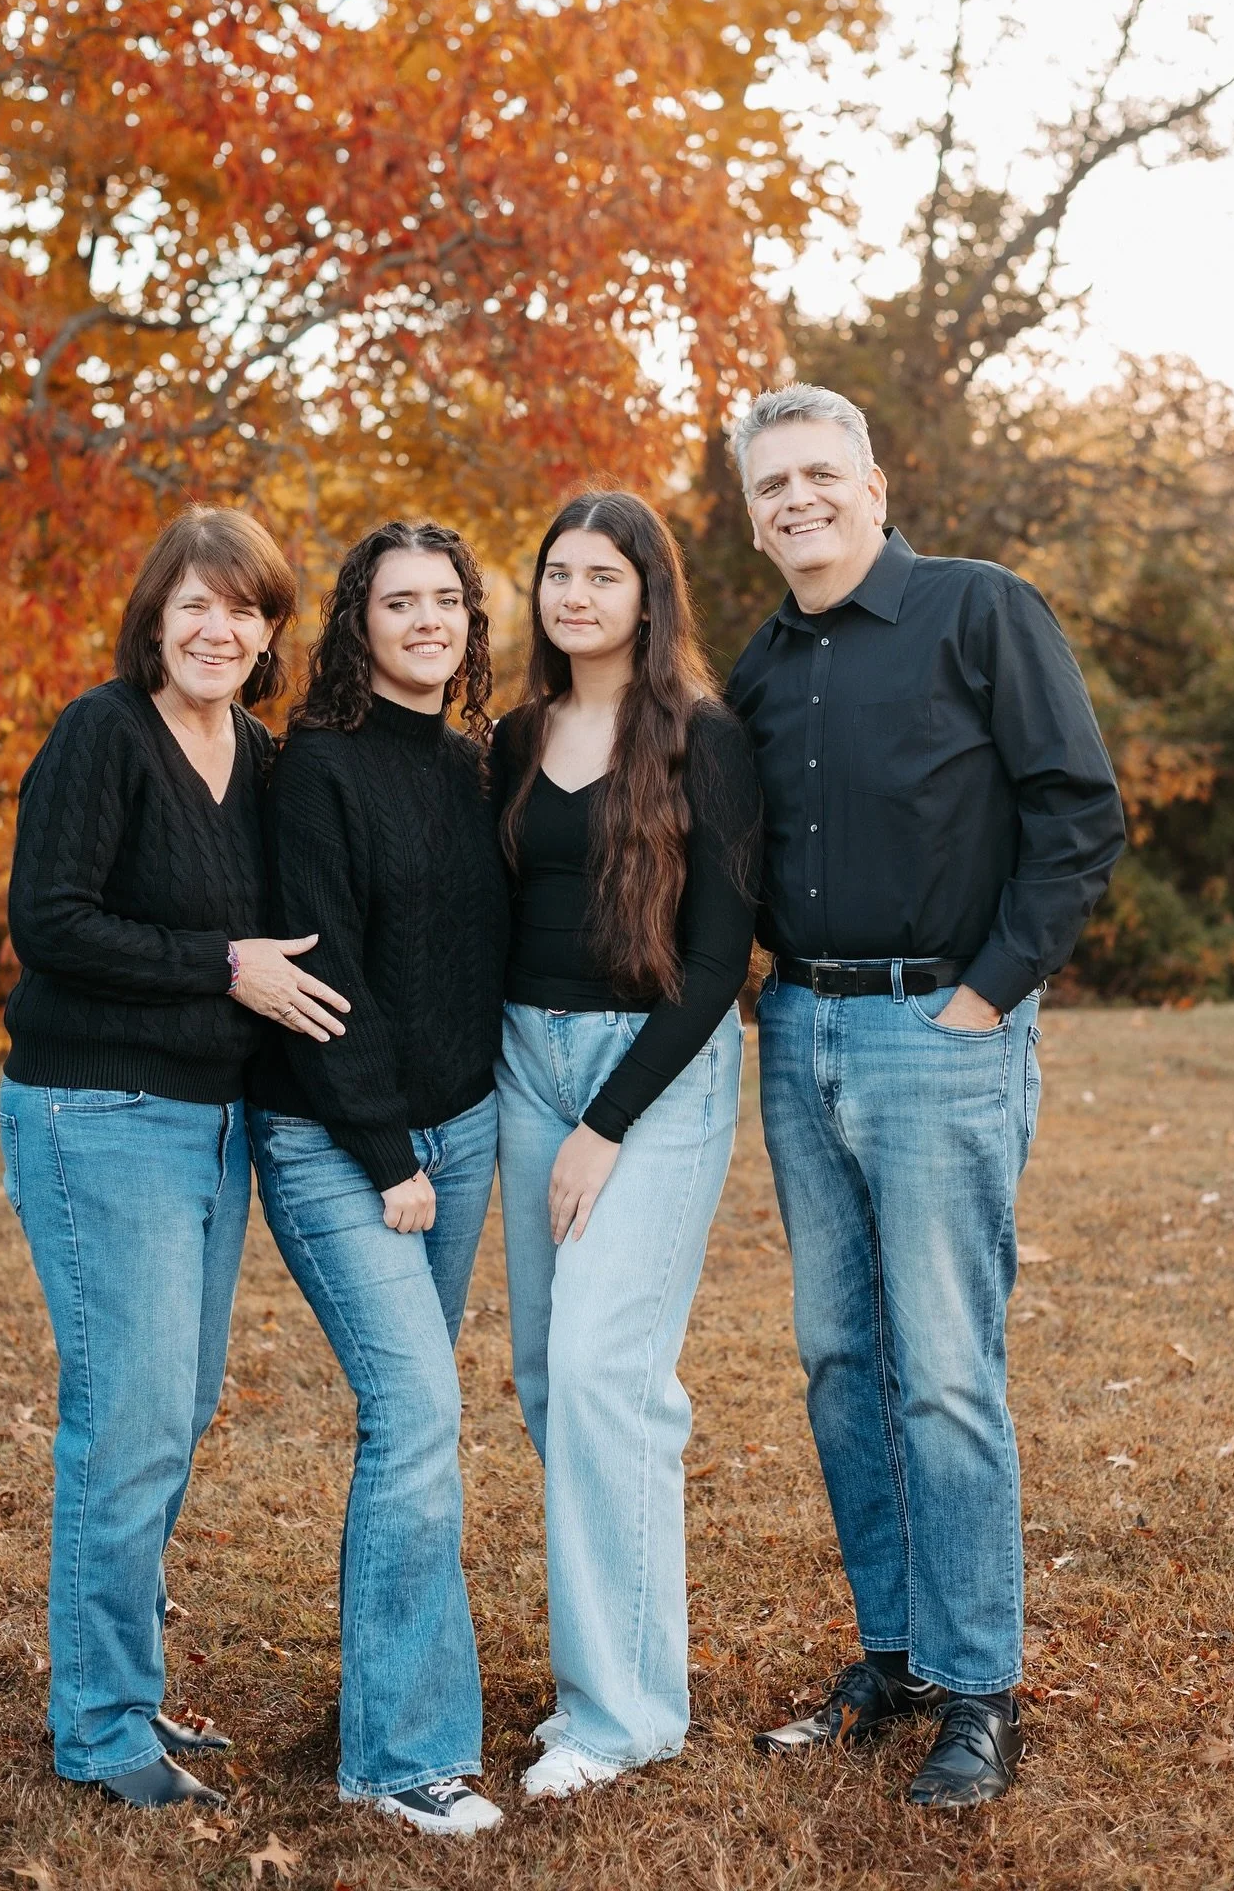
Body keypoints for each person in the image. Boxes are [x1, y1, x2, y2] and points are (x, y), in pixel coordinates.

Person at [725, 385, 1126, 1807]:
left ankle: (978, 1690)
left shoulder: (978, 611)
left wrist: (988, 993)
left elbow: (1080, 811)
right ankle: (892, 1657)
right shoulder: (761, 667)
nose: (801, 501)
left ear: (875, 483)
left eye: (823, 474)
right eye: (775, 485)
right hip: (802, 1029)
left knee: (948, 1371)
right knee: (844, 1362)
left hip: (938, 1030)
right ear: (753, 509)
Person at [0, 507, 350, 1807]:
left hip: (208, 1125)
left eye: (247, 610)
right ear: (155, 614)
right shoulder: (105, 733)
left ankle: (126, 1696)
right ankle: (98, 1730)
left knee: (170, 1414)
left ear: (269, 632)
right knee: (128, 1421)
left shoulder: (256, 754)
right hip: (96, 1112)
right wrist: (223, 967)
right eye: (196, 604)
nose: (220, 629)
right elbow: (51, 922)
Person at [492, 490, 760, 1798]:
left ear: (650, 596)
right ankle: (611, 1664)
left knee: (608, 1374)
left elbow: (718, 962)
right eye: (558, 573)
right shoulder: (515, 734)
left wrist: (605, 1126)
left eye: (604, 574)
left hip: (652, 1071)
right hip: (523, 1063)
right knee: (553, 1378)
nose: (577, 594)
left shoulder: (707, 740)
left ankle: (626, 1710)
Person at [246, 521, 510, 1838]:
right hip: (340, 1145)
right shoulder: (320, 772)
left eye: (446, 601)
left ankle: (380, 1710)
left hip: (459, 1137)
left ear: (471, 619)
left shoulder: (472, 765)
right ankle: (407, 1760)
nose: (426, 621)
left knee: (411, 1422)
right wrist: (386, 1153)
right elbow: (323, 974)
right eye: (398, 602)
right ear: (359, 623)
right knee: (416, 1415)